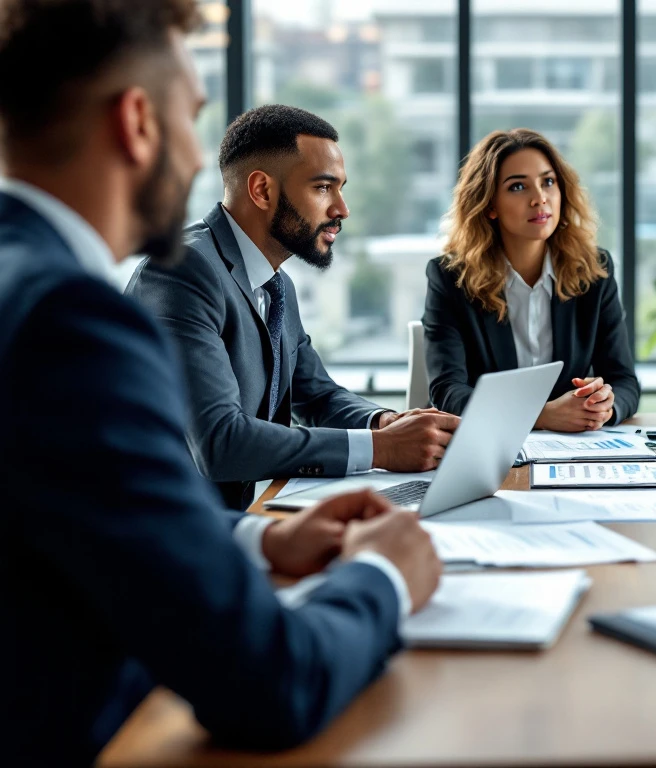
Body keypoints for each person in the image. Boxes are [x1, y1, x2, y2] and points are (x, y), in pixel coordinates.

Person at [0, 1, 441, 764]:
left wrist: (259, 542)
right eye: (191, 117)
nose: (198, 157)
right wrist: (383, 575)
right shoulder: (71, 320)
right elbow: (274, 682)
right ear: (138, 122)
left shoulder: (24, 285)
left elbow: (84, 514)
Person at [127, 105, 460, 510]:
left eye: (341, 188)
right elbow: (220, 441)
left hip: (247, 516)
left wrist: (385, 423)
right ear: (262, 190)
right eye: (323, 188)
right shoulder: (182, 272)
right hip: (168, 534)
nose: (342, 209)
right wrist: (380, 449)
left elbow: (316, 396)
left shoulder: (276, 281)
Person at [422, 128, 640, 432]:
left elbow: (624, 380)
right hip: (491, 450)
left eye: (548, 182)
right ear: (490, 205)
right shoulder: (451, 278)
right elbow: (449, 392)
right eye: (517, 187)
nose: (540, 198)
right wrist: (541, 415)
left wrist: (605, 406)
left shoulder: (594, 270)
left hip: (575, 451)